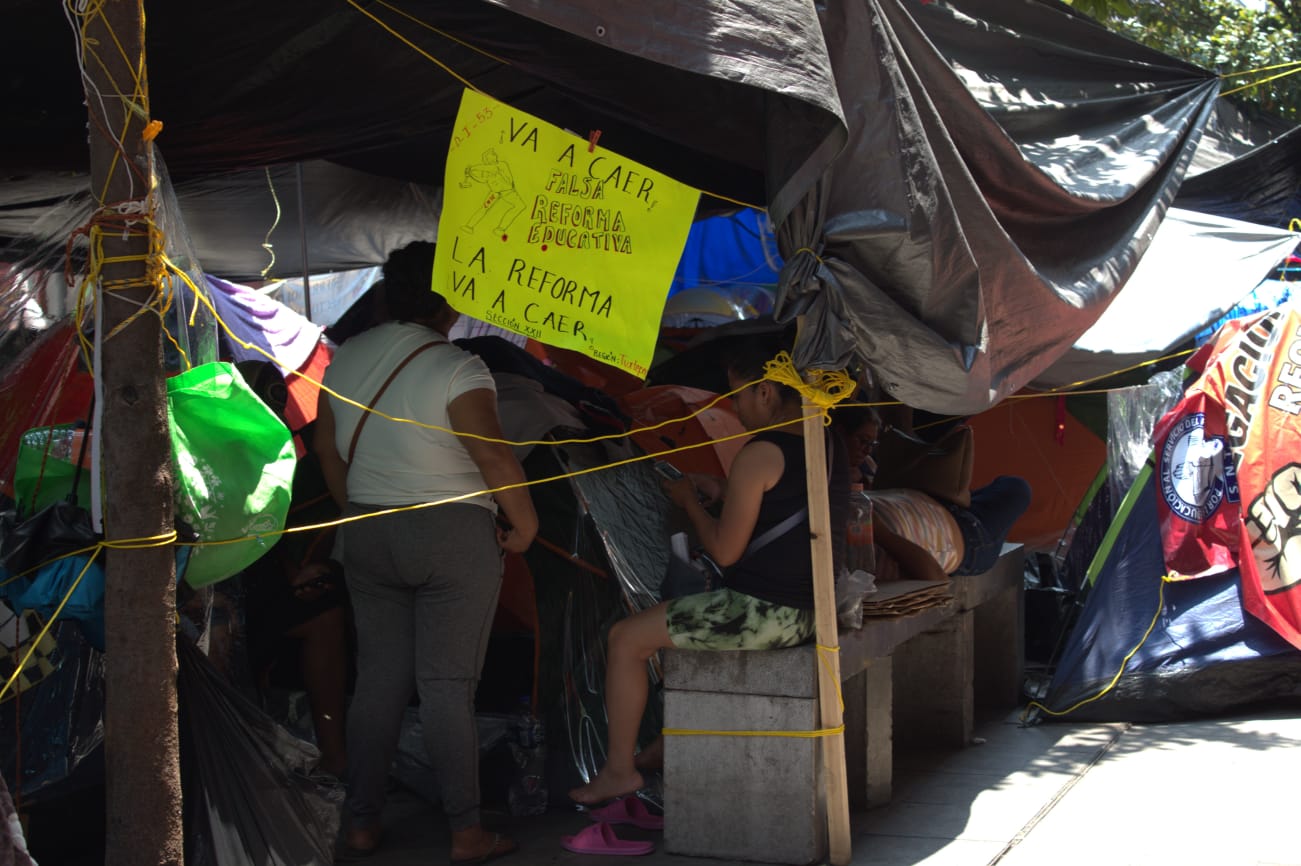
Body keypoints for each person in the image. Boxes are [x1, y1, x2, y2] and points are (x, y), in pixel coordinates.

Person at [315, 241, 538, 862]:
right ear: (451, 302)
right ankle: (466, 831)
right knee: (445, 685)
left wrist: (361, 508)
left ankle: (361, 824)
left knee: (378, 682)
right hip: (451, 536)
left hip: (367, 529)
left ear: (390, 295)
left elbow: (328, 451)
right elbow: (491, 454)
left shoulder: (345, 358)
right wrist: (524, 524)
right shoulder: (459, 368)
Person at [569, 334, 847, 806]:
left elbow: (724, 550)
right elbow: (784, 503)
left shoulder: (760, 452)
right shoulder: (826, 440)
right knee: (665, 623)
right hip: (809, 609)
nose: (734, 407)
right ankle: (664, 742)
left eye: (737, 395)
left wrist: (690, 503)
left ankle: (618, 771)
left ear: (765, 391)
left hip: (764, 614)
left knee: (626, 638)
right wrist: (722, 488)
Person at [870, 477, 1031, 584]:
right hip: (967, 536)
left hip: (931, 501)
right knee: (1017, 488)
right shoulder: (864, 565)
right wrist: (881, 533)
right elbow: (937, 581)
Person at [832, 405, 882, 488]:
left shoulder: (868, 464)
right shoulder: (823, 468)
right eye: (863, 441)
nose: (868, 451)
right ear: (840, 433)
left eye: (872, 444)